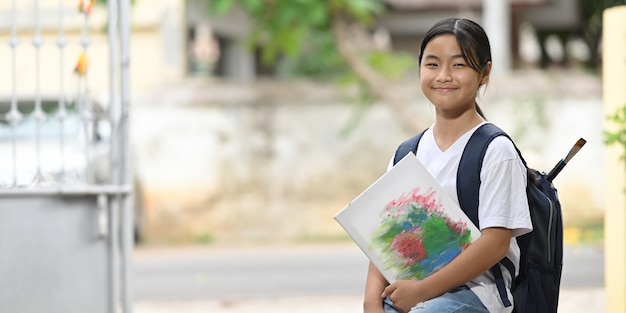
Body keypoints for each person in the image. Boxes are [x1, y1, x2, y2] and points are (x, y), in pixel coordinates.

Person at [363, 17, 532, 313]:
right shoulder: (406, 153)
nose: (444, 75)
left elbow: (496, 243)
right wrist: (371, 301)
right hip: (410, 293)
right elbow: (386, 237)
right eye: (432, 64)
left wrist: (421, 292)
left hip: (478, 294)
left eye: (459, 65)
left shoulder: (495, 150)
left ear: (484, 73)